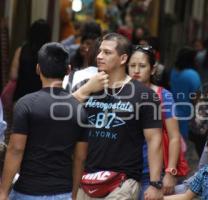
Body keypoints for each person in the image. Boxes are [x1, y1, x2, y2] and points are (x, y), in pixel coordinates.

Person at [73, 33, 164, 200]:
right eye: (100, 51)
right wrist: (86, 89)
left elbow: (154, 141)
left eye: (107, 53)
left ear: (123, 59)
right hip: (87, 179)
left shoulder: (145, 95)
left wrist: (155, 183)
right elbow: (59, 115)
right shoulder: (87, 87)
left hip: (122, 183)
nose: (99, 56)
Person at [0, 42, 88, 200]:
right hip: (64, 192)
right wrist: (74, 195)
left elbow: (16, 149)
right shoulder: (79, 108)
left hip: (27, 192)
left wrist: (3, 192)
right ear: (68, 70)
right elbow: (80, 157)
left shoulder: (26, 104)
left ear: (38, 69)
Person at [128, 45, 181, 198]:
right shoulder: (121, 93)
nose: (136, 70)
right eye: (132, 66)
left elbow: (174, 137)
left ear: (152, 69)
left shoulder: (163, 96)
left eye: (142, 66)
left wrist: (170, 172)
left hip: (150, 173)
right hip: (123, 171)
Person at [10, 19, 51, 102]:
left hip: (21, 97)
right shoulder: (50, 53)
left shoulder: (21, 50)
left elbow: (13, 75)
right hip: (41, 99)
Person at [170, 47, 201, 139]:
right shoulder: (192, 75)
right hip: (186, 116)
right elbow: (196, 98)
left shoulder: (173, 72)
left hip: (171, 113)